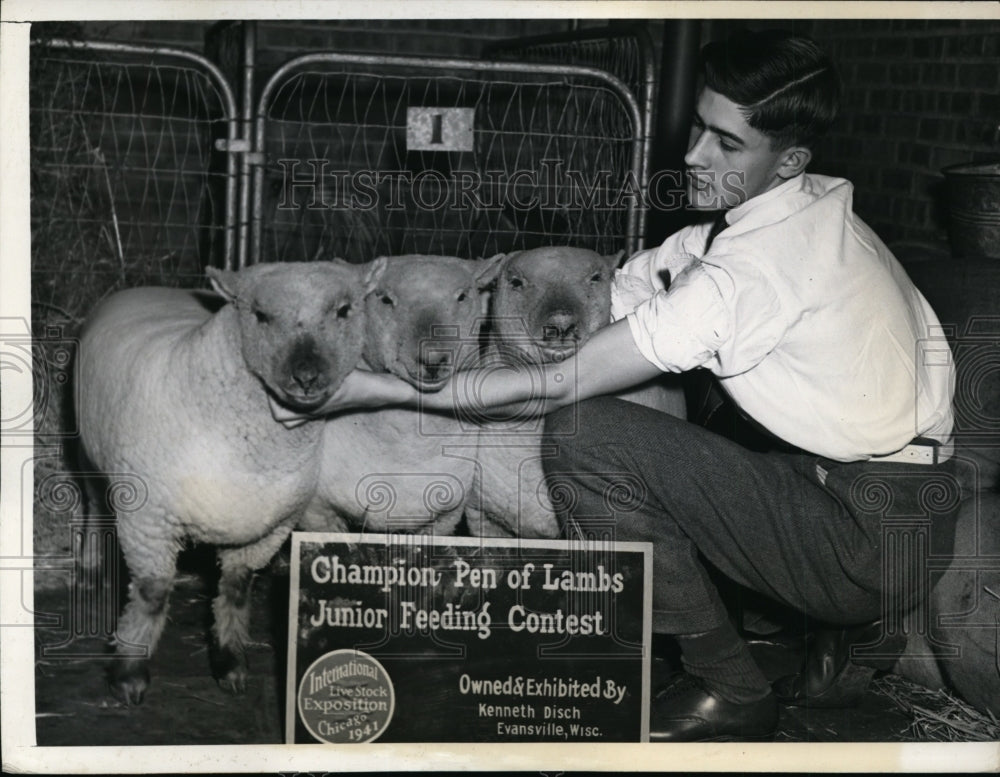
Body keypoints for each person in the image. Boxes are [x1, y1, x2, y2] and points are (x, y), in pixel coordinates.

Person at [276, 28, 959, 741]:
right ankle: (836, 626)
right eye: (699, 124)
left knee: (586, 433)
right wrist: (463, 289)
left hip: (865, 534)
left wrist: (375, 388)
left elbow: (556, 386)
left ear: (788, 159)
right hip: (894, 502)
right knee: (706, 439)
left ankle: (730, 683)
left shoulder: (748, 274)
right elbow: (618, 286)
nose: (693, 154)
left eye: (726, 144)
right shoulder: (798, 213)